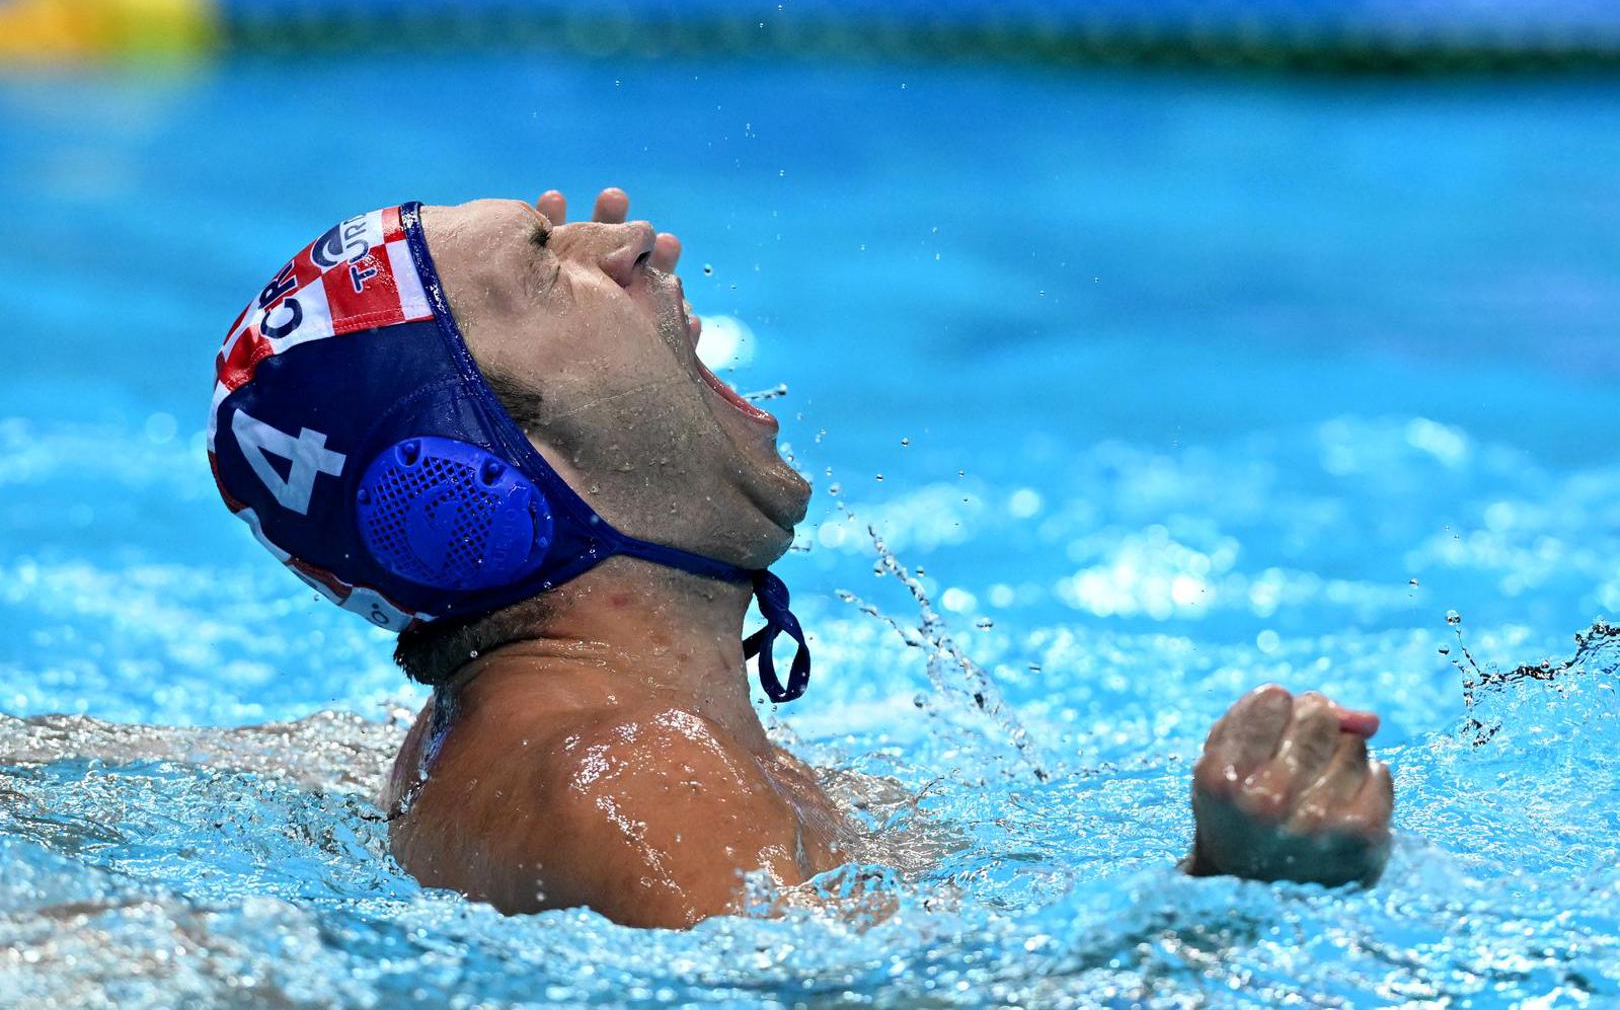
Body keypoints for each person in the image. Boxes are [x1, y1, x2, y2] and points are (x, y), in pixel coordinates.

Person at [208, 187, 1394, 929]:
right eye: (547, 262)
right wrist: (1228, 895)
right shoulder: (638, 774)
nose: (632, 236)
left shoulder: (495, 745)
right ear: (469, 481)